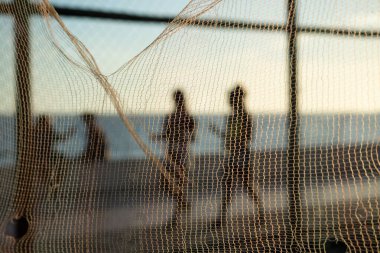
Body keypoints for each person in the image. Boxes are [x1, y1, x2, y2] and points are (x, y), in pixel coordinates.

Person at [209, 85, 262, 226]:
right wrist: (219, 133)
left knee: (247, 186)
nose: (229, 102)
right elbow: (230, 138)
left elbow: (247, 137)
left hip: (242, 155)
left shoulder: (246, 116)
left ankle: (260, 212)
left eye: (231, 99)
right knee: (228, 186)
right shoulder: (231, 117)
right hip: (232, 155)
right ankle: (221, 218)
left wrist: (227, 137)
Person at [151, 90, 196, 225]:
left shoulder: (187, 117)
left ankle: (175, 219)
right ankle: (183, 203)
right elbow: (167, 134)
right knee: (165, 184)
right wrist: (159, 136)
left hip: (181, 155)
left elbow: (192, 137)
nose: (177, 101)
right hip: (171, 154)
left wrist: (172, 136)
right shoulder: (170, 116)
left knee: (178, 184)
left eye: (178, 99)